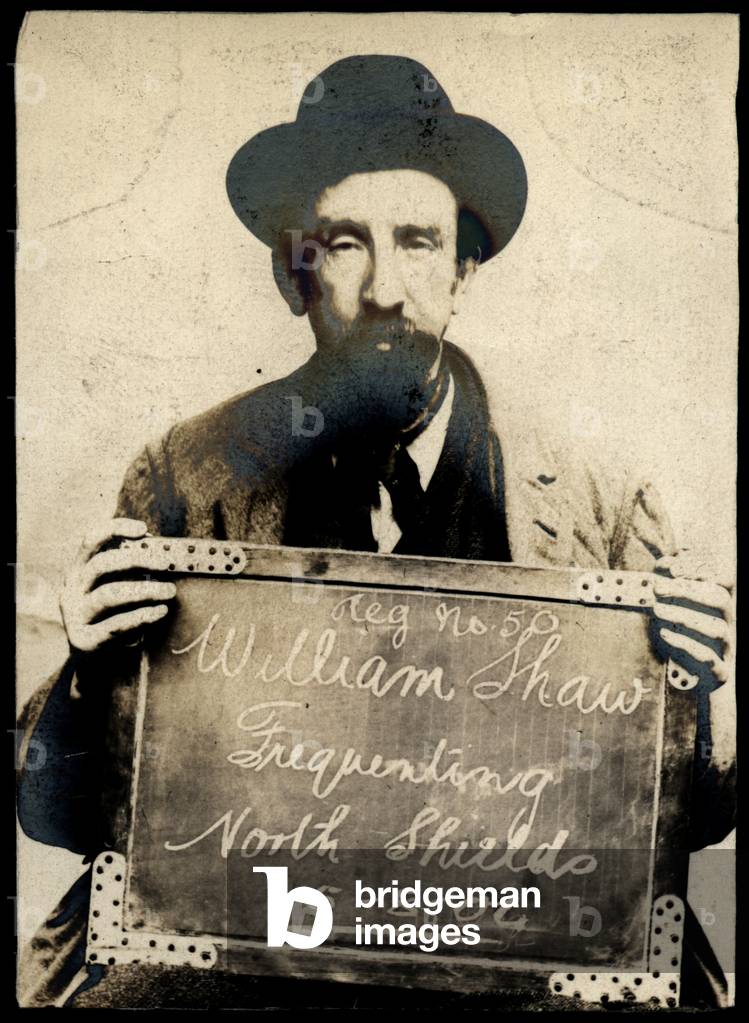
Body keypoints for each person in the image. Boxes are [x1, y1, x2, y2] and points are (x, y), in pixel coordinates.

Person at [17, 55, 735, 1008]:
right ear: (292, 272)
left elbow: (692, 825)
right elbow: (57, 813)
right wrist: (83, 668)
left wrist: (699, 698)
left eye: (419, 242)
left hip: (509, 961)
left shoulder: (600, 495)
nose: (388, 288)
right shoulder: (184, 474)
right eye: (345, 244)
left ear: (463, 267)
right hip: (258, 955)